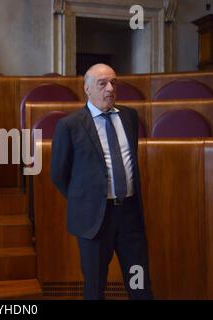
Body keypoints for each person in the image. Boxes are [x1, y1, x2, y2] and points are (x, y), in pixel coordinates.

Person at [50, 63, 153, 300]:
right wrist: (88, 201)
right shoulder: (70, 125)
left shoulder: (129, 116)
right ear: (87, 89)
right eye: (102, 83)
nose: (110, 88)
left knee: (139, 282)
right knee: (95, 288)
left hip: (130, 217)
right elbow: (59, 175)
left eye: (113, 83)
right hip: (94, 221)